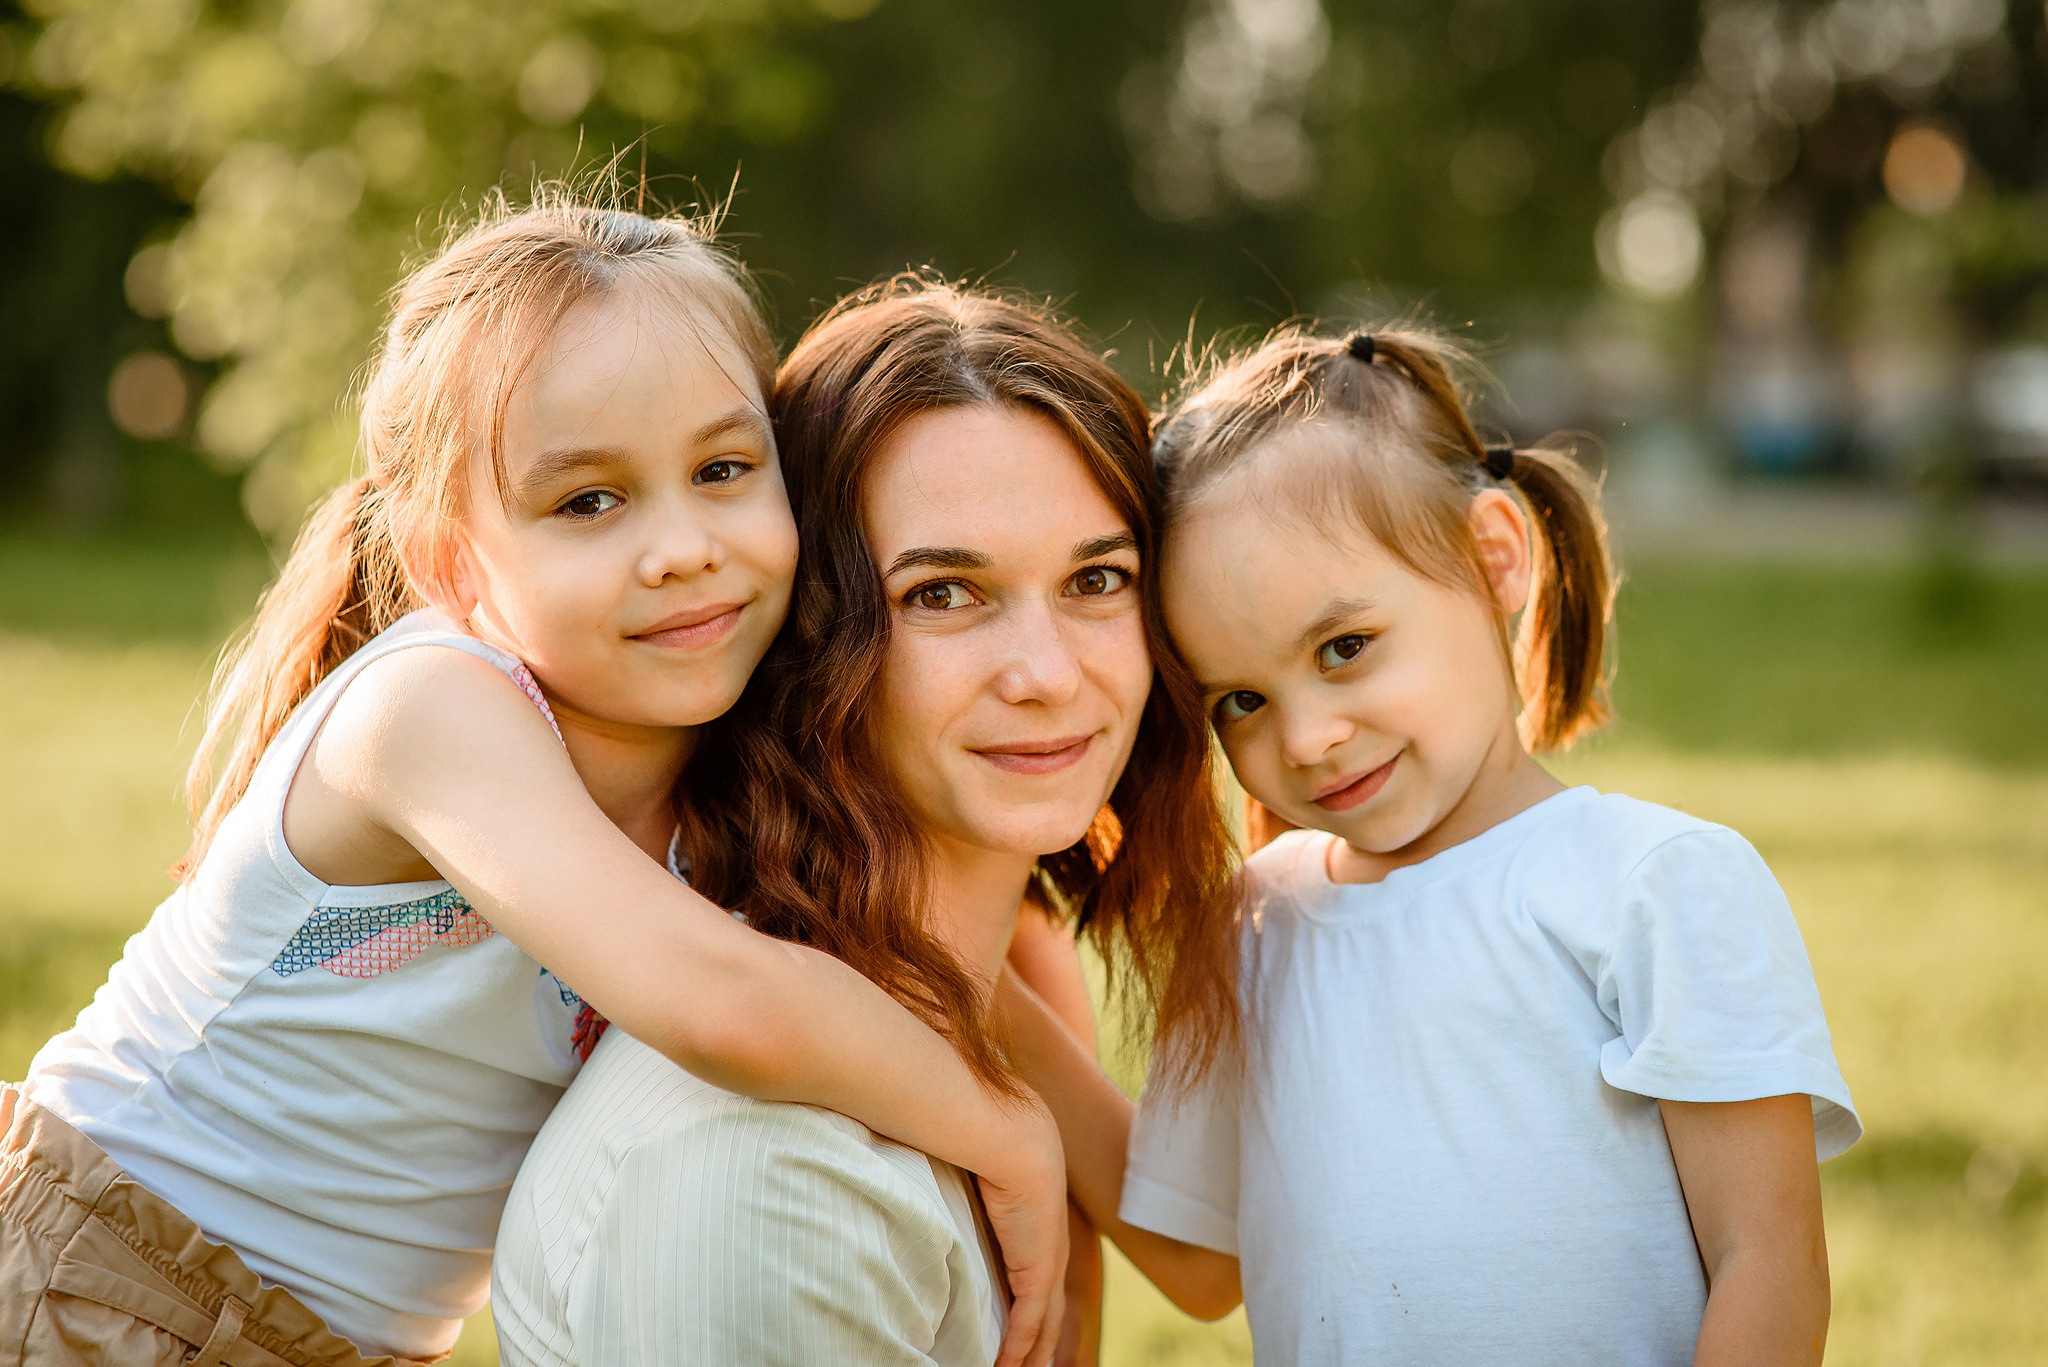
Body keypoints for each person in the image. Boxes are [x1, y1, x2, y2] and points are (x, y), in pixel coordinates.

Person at [2, 204, 1071, 1367]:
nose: (683, 546)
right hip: (101, 1278)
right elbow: (724, 1003)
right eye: (587, 501)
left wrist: (1092, 1136)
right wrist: (1006, 1129)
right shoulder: (432, 709)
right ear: (449, 559)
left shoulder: (723, 759)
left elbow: (902, 979)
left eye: (722, 469)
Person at [1001, 327, 1862, 1366]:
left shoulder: (1651, 884)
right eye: (1241, 699)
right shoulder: (1253, 926)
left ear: (1492, 556)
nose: (1305, 737)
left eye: (1344, 647)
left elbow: (1767, 1262)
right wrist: (982, 995)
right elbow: (1197, 1262)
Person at [492, 280, 1239, 1367]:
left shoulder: (992, 1000)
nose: (1046, 673)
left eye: (1096, 577)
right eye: (941, 593)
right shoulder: (771, 1182)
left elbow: (1207, 1271)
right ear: (807, 633)